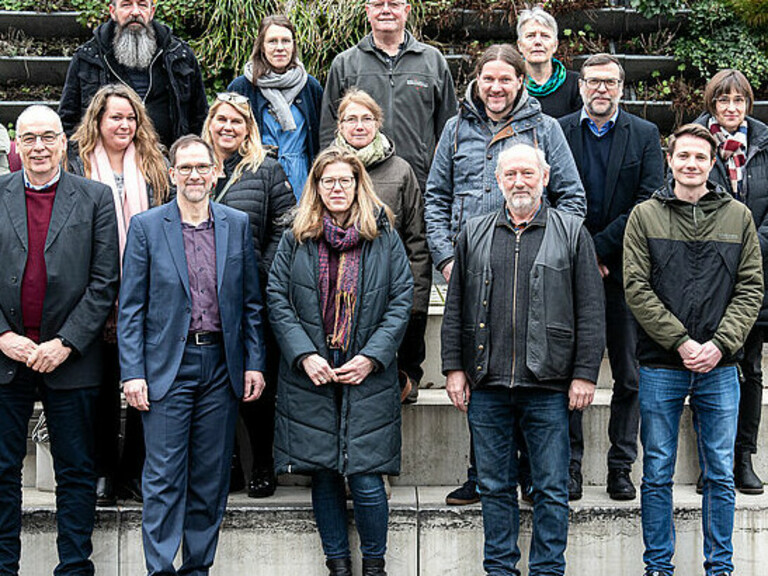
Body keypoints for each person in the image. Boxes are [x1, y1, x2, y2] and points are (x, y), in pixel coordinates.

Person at [425, 44, 586, 506]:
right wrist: (448, 258)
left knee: (535, 367)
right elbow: (436, 199)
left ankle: (539, 475)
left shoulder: (546, 129)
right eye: (488, 79)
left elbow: (573, 199)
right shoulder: (455, 130)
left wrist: (550, 250)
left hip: (536, 276)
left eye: (505, 79)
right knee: (484, 369)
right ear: (476, 81)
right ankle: (484, 473)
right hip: (471, 272)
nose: (496, 88)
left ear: (521, 82)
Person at [442, 143, 605, 575]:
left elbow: (590, 309)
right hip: (487, 383)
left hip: (548, 386)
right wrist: (454, 368)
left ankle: (548, 569)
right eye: (510, 174)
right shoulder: (473, 231)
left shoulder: (571, 231)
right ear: (497, 180)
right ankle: (500, 568)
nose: (519, 182)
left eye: (528, 174)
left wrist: (585, 374)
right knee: (495, 487)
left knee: (551, 488)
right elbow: (456, 305)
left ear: (545, 178)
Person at [117, 135, 266, 575]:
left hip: (221, 366)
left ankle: (197, 568)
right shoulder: (147, 227)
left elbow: (251, 303)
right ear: (172, 173)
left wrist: (254, 361)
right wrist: (133, 373)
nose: (195, 175)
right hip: (168, 368)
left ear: (216, 171)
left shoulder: (236, 223)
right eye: (186, 168)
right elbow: (131, 309)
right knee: (163, 480)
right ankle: (161, 570)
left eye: (203, 167)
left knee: (209, 478)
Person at [624, 123, 763, 576]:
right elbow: (636, 289)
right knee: (657, 471)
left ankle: (719, 567)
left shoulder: (737, 216)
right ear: (670, 159)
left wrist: (720, 344)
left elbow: (750, 288)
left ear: (712, 163)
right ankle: (658, 566)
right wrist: (682, 342)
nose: (691, 164)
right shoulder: (644, 215)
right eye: (683, 156)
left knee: (721, 473)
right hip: (662, 363)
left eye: (700, 158)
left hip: (720, 365)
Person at [267, 147, 413, 576]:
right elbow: (277, 298)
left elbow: (401, 298)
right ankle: (337, 566)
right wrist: (303, 354)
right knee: (324, 472)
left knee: (367, 477)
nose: (336, 188)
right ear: (316, 186)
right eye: (327, 181)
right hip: (312, 371)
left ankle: (374, 567)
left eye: (344, 181)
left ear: (357, 185)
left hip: (366, 371)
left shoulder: (382, 233)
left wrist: (372, 357)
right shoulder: (296, 235)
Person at [0, 105, 119, 575]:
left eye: (48, 137)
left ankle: (73, 567)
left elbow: (105, 281)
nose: (39, 147)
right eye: (28, 138)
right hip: (8, 358)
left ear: (63, 142)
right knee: (2, 471)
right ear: (16, 145)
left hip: (71, 360)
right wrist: (2, 337)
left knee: (75, 472)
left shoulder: (94, 198)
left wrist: (66, 342)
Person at [558, 53, 665, 501]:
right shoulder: (559, 130)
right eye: (593, 81)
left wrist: (601, 250)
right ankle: (571, 468)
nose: (601, 89)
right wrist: (585, 253)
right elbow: (553, 193)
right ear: (581, 85)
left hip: (626, 272)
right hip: (569, 269)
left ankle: (621, 467)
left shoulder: (644, 135)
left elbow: (648, 201)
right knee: (568, 374)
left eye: (610, 82)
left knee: (630, 375)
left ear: (622, 87)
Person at [67, 82, 170, 506]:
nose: (124, 124)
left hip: (147, 292)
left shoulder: (154, 165)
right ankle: (104, 473)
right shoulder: (75, 165)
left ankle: (134, 473)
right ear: (98, 120)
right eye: (116, 117)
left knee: (146, 387)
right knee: (101, 388)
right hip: (92, 290)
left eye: (130, 117)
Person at [202, 92, 295, 498]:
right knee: (216, 384)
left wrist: (261, 271)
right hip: (202, 295)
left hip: (251, 295)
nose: (228, 127)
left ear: (248, 128)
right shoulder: (195, 165)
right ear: (210, 122)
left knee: (257, 383)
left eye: (237, 121)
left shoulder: (266, 170)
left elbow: (285, 227)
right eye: (221, 119)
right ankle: (232, 464)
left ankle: (262, 463)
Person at [694, 69, 768, 495]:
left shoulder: (764, 145)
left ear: (748, 105)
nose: (731, 109)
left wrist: (749, 247)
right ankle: (712, 461)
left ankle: (743, 457)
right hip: (707, 276)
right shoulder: (697, 145)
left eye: (738, 101)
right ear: (712, 104)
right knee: (712, 366)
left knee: (750, 368)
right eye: (723, 101)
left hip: (757, 276)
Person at [333, 88, 429, 402]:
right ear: (340, 126)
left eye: (366, 118)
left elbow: (417, 236)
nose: (359, 126)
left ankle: (407, 380)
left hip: (390, 279)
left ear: (378, 123)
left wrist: (417, 291)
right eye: (351, 119)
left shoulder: (401, 171)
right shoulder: (327, 168)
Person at [319, 0, 457, 193]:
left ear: (406, 10)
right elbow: (328, 129)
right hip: (361, 184)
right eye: (378, 5)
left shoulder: (432, 61)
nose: (385, 10)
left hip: (421, 183)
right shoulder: (345, 64)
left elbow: (449, 127)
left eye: (393, 4)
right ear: (368, 11)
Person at [59, 0, 208, 149]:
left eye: (142, 5)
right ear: (113, 11)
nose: (135, 12)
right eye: (126, 5)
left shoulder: (180, 55)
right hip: (104, 163)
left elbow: (200, 116)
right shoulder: (88, 58)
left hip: (170, 160)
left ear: (152, 11)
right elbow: (68, 118)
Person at [228, 15, 323, 200]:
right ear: (261, 46)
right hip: (255, 176)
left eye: (286, 41)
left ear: (294, 45)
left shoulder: (310, 87)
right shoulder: (242, 87)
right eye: (272, 41)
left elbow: (322, 136)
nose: (280, 47)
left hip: (301, 177)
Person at [516, 6, 581, 118]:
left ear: (555, 45)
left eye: (545, 36)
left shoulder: (576, 85)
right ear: (520, 45)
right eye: (530, 36)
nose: (538, 42)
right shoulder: (511, 85)